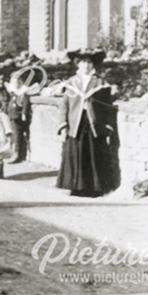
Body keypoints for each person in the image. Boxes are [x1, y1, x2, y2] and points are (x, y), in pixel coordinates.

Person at [56, 49, 120, 197]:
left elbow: (107, 106)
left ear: (93, 65)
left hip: (93, 124)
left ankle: (94, 188)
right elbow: (64, 105)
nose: (86, 65)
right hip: (75, 123)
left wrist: (108, 125)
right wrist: (63, 124)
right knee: (76, 154)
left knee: (93, 153)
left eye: (89, 62)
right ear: (78, 64)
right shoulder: (71, 82)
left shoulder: (100, 83)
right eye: (83, 62)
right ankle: (76, 187)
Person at [6, 71, 33, 163]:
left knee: (18, 135)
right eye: (14, 83)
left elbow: (25, 104)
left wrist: (24, 113)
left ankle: (17, 154)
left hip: (18, 117)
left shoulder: (23, 93)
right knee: (15, 134)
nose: (16, 84)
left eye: (17, 82)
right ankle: (17, 153)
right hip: (13, 116)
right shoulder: (14, 93)